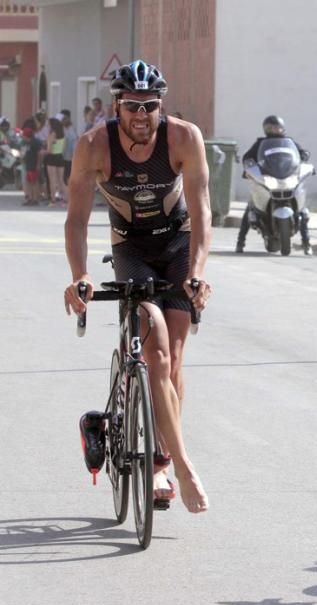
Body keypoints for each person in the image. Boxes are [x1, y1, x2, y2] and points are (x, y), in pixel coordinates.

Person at [63, 59, 211, 514]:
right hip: (130, 247)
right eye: (132, 106)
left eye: (150, 105)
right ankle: (181, 466)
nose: (141, 115)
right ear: (117, 106)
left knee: (174, 357)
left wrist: (198, 271)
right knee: (154, 351)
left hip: (177, 243)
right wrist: (81, 275)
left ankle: (161, 463)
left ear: (160, 106)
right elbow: (76, 221)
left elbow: (203, 210)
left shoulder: (184, 137)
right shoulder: (94, 146)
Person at [236, 114, 313, 255]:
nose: (274, 130)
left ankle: (307, 243)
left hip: (287, 177)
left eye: (277, 127)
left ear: (282, 128)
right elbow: (248, 157)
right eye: (270, 127)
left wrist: (304, 155)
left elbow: (301, 153)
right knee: (251, 206)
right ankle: (240, 242)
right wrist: (249, 166)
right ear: (265, 129)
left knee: (302, 210)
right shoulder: (260, 143)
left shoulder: (289, 142)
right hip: (268, 178)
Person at [43, 117, 67, 205]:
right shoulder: (63, 134)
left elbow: (49, 150)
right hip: (60, 157)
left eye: (48, 124)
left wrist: (43, 152)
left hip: (51, 158)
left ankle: (53, 200)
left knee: (52, 180)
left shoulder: (52, 134)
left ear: (52, 125)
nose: (47, 126)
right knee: (61, 180)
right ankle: (66, 199)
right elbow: (63, 148)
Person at [20, 117, 42, 206]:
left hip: (33, 165)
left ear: (27, 136)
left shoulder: (34, 142)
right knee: (29, 182)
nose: (22, 137)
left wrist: (38, 165)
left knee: (34, 182)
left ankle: (35, 199)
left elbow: (39, 154)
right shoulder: (27, 143)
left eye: (23, 136)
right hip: (29, 164)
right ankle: (30, 198)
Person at [61, 109, 79, 184]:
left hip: (70, 157)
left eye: (64, 118)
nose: (62, 120)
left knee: (68, 176)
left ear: (68, 118)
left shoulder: (72, 129)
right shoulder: (61, 128)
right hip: (62, 156)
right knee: (63, 176)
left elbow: (75, 143)